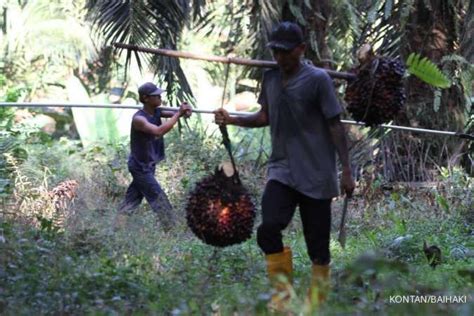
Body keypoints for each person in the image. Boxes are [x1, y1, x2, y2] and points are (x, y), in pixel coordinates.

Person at [214, 22, 355, 310]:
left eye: (286, 52)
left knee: (318, 248)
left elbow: (335, 125)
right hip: (282, 171)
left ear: (301, 50)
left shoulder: (318, 80)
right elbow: (264, 116)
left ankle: (318, 302)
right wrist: (231, 119)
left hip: (316, 175)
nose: (280, 58)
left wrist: (347, 171)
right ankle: (282, 299)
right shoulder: (271, 79)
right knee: (268, 229)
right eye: (276, 52)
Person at [117, 82, 192, 229]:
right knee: (159, 199)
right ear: (146, 98)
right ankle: (172, 231)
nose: (160, 97)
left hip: (149, 165)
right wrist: (179, 113)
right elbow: (158, 131)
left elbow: (177, 114)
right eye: (156, 95)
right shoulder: (139, 119)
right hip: (140, 167)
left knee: (132, 200)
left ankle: (116, 229)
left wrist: (185, 112)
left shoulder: (157, 111)